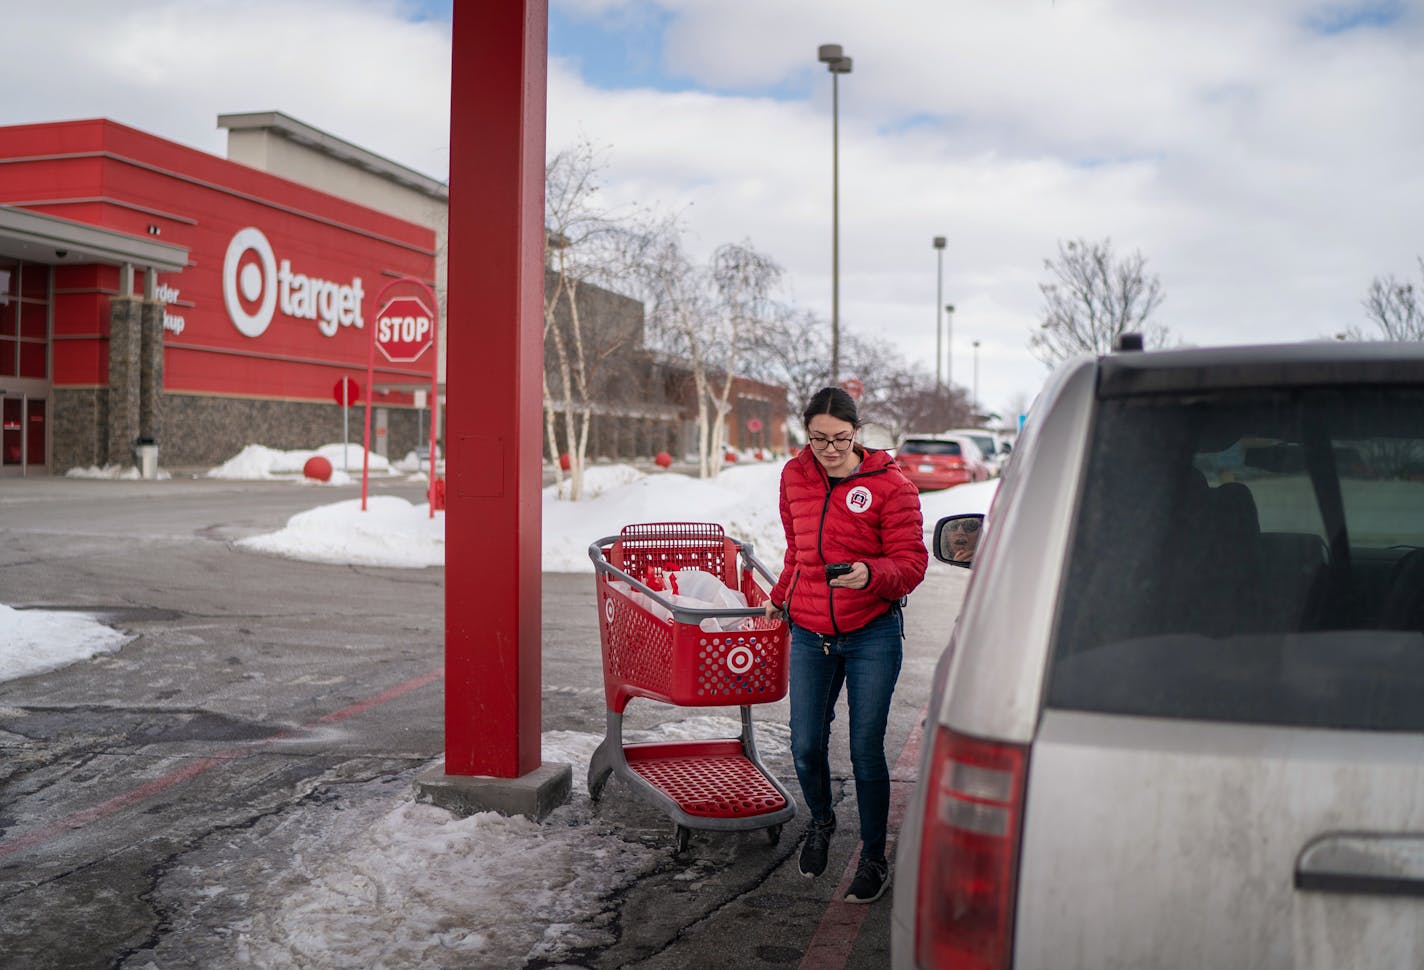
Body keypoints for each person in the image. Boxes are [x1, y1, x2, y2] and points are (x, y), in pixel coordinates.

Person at [765, 386, 927, 904]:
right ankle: (821, 822)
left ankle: (874, 857)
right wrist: (779, 595)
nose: (829, 449)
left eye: (839, 438)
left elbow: (911, 564)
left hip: (871, 633)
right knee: (806, 745)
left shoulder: (890, 487)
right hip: (811, 633)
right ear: (806, 434)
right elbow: (797, 551)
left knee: (864, 749)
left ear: (858, 433)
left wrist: (869, 574)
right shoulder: (795, 476)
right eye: (818, 439)